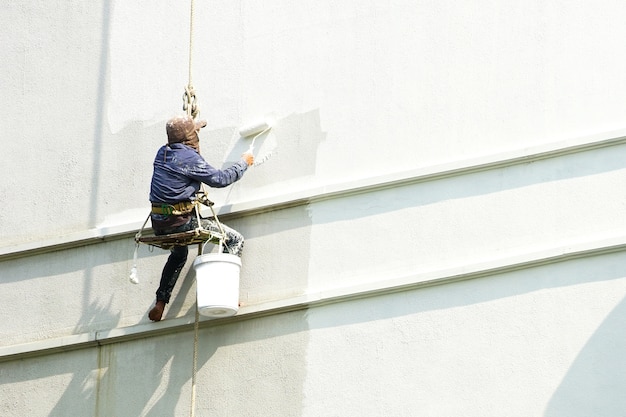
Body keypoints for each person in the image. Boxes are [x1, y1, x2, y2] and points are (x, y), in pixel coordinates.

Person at [147, 115, 254, 321]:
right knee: (234, 239)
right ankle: (225, 294)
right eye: (195, 133)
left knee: (179, 254)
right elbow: (220, 179)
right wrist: (244, 163)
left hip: (160, 223)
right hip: (181, 222)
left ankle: (160, 302)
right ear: (189, 138)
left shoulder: (163, 153)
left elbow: (180, 168)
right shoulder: (188, 158)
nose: (198, 136)